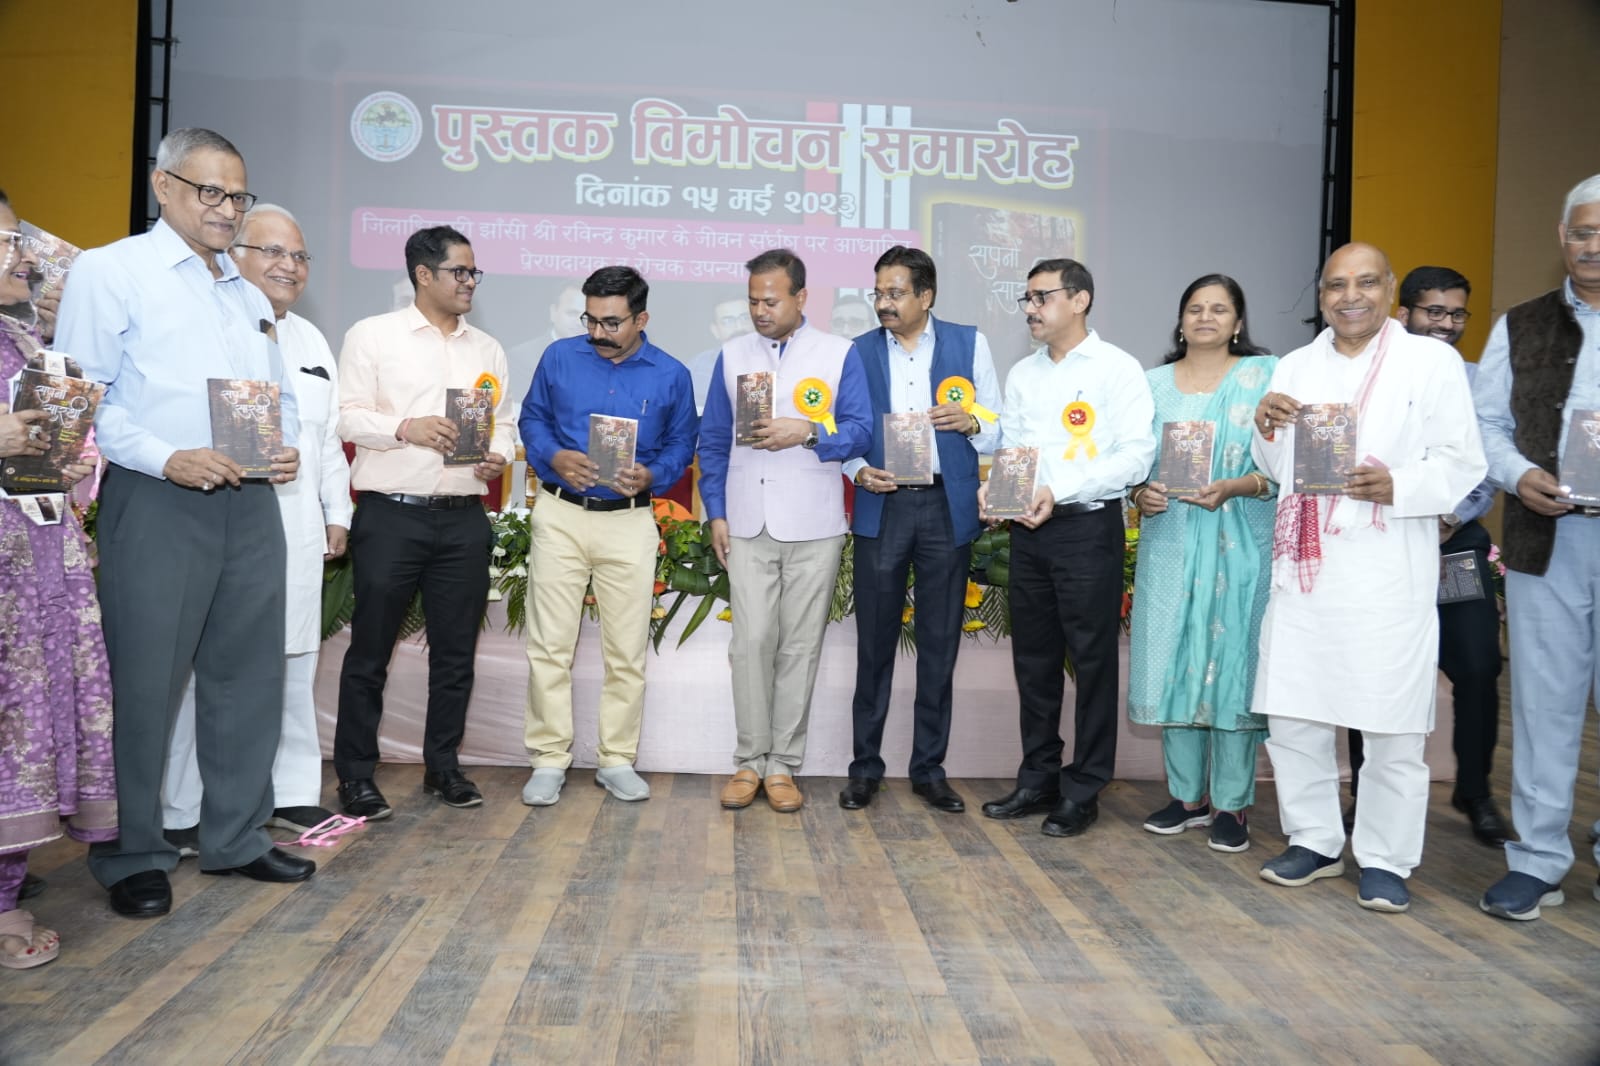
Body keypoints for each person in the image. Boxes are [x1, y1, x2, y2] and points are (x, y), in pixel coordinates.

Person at [57, 128, 312, 919]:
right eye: (211, 192)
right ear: (162, 186)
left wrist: (284, 444)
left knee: (248, 676)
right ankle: (130, 850)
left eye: (238, 196)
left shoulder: (246, 292)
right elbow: (80, 397)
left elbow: (275, 394)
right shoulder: (111, 272)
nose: (227, 209)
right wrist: (167, 457)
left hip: (250, 500)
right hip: (157, 497)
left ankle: (235, 835)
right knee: (143, 681)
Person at [1252, 242, 1485, 914]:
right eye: (1335, 285)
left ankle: (1385, 858)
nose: (1349, 296)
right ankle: (1315, 840)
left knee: (1391, 725)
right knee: (1294, 713)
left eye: (1365, 283)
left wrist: (1399, 484)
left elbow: (1463, 462)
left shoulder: (1431, 362)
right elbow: (1276, 466)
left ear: (1390, 290)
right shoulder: (1295, 365)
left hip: (1388, 568)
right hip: (1306, 570)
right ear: (1321, 295)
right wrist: (1265, 428)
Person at [160, 205, 352, 849]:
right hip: (218, 516)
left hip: (297, 524)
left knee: (295, 659)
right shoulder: (202, 328)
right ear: (232, 255)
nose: (288, 266)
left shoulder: (312, 340)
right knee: (204, 669)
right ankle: (183, 809)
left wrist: (337, 512)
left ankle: (292, 792)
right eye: (272, 251)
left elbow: (325, 440)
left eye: (299, 256)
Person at [334, 225, 514, 819]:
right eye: (460, 272)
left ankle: (444, 766)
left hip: (464, 518)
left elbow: (504, 423)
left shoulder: (487, 349)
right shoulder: (373, 335)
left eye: (473, 272)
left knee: (456, 655)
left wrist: (498, 455)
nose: (470, 282)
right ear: (423, 275)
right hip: (392, 515)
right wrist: (404, 428)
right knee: (370, 653)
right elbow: (346, 417)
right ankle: (356, 775)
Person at [979, 258, 1155, 837]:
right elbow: (1015, 449)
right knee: (1033, 661)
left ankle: (1084, 787)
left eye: (1042, 297)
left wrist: (1061, 489)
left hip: (1087, 528)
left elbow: (1135, 456)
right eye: (1026, 299)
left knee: (1093, 662)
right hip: (1029, 531)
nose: (1030, 309)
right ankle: (1038, 778)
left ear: (1080, 300)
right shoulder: (1023, 374)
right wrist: (997, 491)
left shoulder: (1117, 368)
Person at [698, 249, 872, 812]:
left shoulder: (839, 353)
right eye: (753, 301)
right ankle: (749, 761)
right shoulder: (731, 354)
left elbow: (861, 430)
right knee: (750, 643)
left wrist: (810, 432)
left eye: (771, 301)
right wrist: (716, 512)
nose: (760, 311)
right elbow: (713, 442)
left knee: (800, 646)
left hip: (815, 524)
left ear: (801, 297)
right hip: (746, 520)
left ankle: (783, 766)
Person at [517, 266, 697, 807]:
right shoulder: (558, 357)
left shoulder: (672, 374)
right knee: (549, 647)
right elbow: (532, 419)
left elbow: (681, 444)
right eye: (590, 320)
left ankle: (616, 759)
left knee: (626, 651)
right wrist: (554, 456)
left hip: (629, 521)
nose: (598, 333)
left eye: (611, 323)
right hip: (560, 516)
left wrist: (654, 474)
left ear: (641, 319)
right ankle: (548, 759)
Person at [1345, 266, 1508, 847]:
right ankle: (1365, 796)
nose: (1446, 323)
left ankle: (1475, 791)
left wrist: (1448, 518)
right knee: (1375, 669)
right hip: (1383, 541)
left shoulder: (1475, 380)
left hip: (1452, 547)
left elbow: (1486, 462)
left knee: (1477, 665)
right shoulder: (1370, 373)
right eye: (1433, 311)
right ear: (1404, 312)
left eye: (1457, 313)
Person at [1478, 174, 1600, 921]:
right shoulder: (1519, 324)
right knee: (1544, 704)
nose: (1594, 246)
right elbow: (1485, 424)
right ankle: (1537, 860)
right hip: (1544, 536)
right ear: (1562, 238)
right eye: (1583, 232)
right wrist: (1517, 475)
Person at [839, 246, 999, 813]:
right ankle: (865, 768)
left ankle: (929, 770)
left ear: (925, 296)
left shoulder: (969, 344)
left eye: (895, 293)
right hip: (882, 505)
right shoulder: (857, 351)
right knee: (874, 645)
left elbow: (998, 425)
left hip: (944, 505)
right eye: (878, 293)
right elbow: (843, 429)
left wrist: (973, 421)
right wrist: (857, 469)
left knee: (938, 644)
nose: (883, 303)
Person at [0, 196, 116, 966]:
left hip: (36, 563)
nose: (23, 254)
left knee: (23, 728)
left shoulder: (27, 342)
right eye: (6, 241)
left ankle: (4, 897)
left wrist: (76, 462)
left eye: (20, 239)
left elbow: (68, 456)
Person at [1127, 275, 1276, 853]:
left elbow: (1284, 466)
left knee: (1231, 660)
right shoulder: (1151, 385)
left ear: (1238, 322)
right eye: (1195, 308)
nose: (1206, 317)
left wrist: (1237, 485)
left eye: (1219, 309)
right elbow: (1133, 461)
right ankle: (1186, 797)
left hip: (1242, 541)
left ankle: (1232, 804)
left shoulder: (1266, 377)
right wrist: (1140, 494)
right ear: (1181, 319)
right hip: (1171, 540)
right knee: (1174, 656)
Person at [688, 294, 753, 412]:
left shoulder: (775, 360)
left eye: (745, 318)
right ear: (715, 330)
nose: (739, 327)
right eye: (728, 321)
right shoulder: (698, 368)